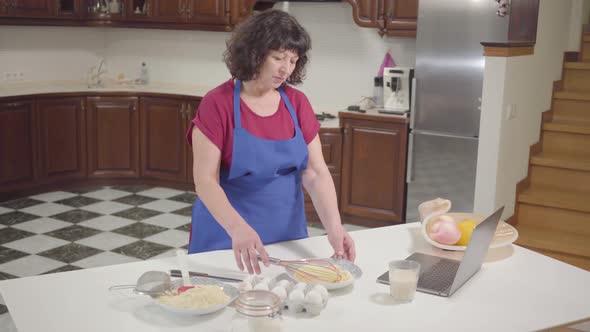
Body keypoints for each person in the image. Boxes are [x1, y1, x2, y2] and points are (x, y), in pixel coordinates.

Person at [186, 9, 355, 275]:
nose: (286, 68)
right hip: (227, 236)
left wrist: (334, 228)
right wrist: (237, 228)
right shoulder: (217, 103)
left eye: (293, 60)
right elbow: (205, 180)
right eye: (278, 57)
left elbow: (315, 172)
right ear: (254, 53)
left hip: (287, 234)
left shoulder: (297, 103)